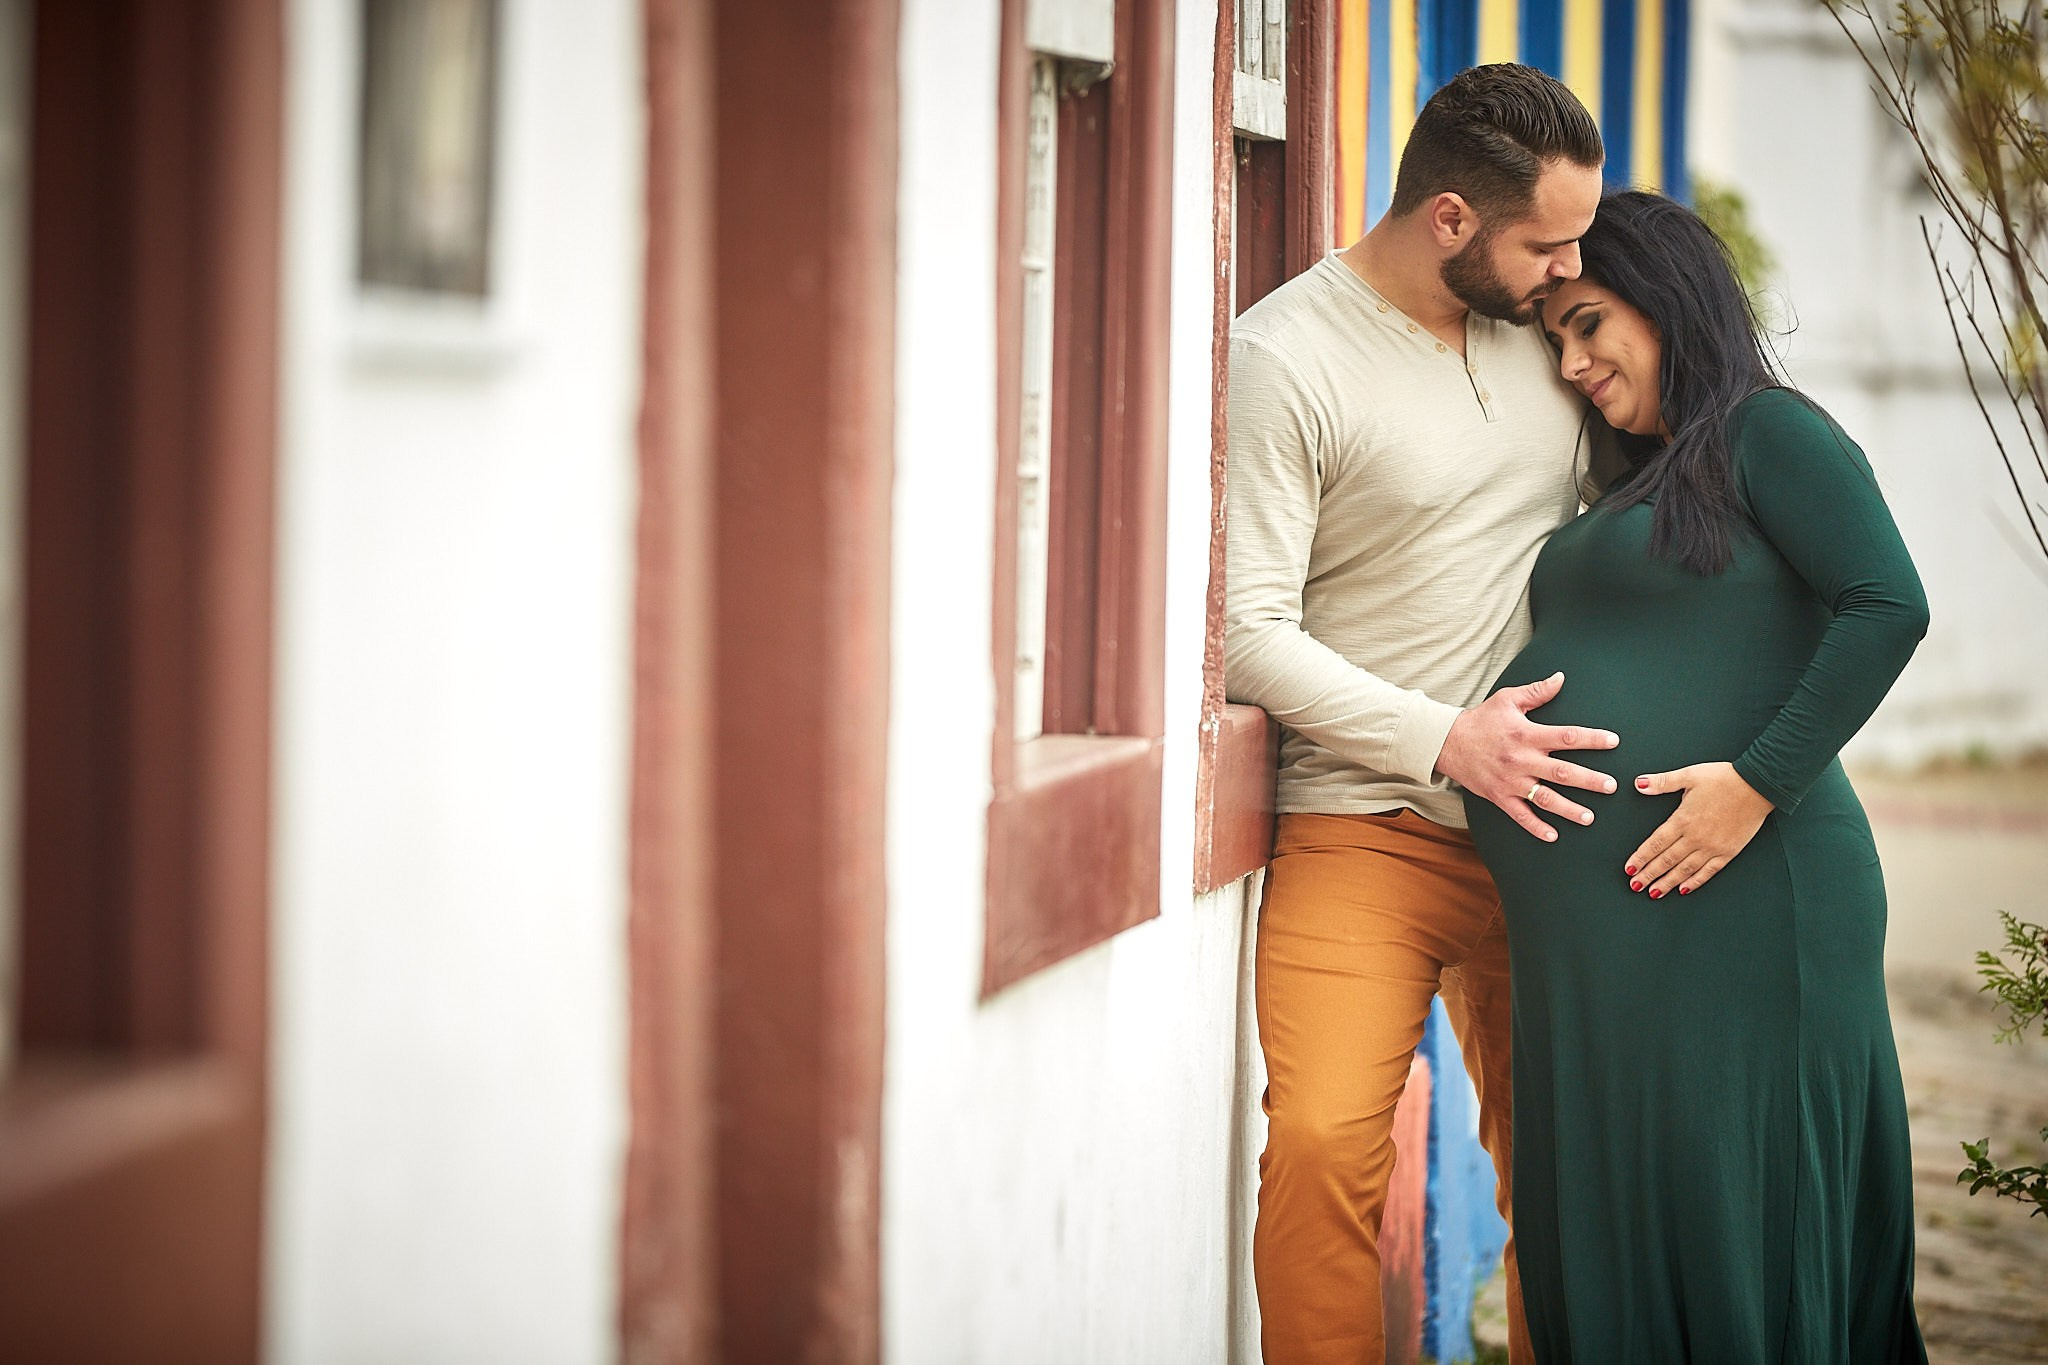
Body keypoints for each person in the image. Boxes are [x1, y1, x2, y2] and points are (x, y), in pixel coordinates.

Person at [1463, 189, 1930, 1360]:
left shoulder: (1765, 430)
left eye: (1587, 322)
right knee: (1617, 1214)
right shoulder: (1631, 476)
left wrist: (1754, 784)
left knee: (1730, 1208)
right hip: (1609, 954)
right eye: (1554, 338)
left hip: (1748, 898)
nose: (1570, 361)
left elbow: (1885, 604)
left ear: (1664, 299)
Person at [1227, 64, 1621, 1364]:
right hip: (1367, 826)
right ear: (1451, 217)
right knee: (1325, 1153)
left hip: (1551, 831)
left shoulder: (1553, 337)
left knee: (1576, 1174)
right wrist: (1444, 736)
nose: (1573, 264)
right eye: (1547, 240)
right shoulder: (1285, 357)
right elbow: (1245, 632)